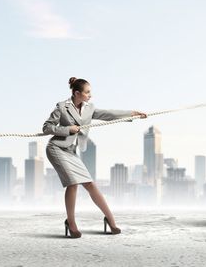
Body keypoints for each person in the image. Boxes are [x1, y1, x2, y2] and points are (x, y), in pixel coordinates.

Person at [43, 77, 146, 238]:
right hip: (57, 148)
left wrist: (131, 113)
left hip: (72, 151)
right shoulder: (62, 107)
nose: (90, 95)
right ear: (77, 93)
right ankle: (71, 223)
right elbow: (47, 127)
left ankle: (111, 221)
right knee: (73, 183)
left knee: (90, 184)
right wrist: (68, 129)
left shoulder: (89, 108)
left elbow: (107, 114)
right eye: (87, 92)